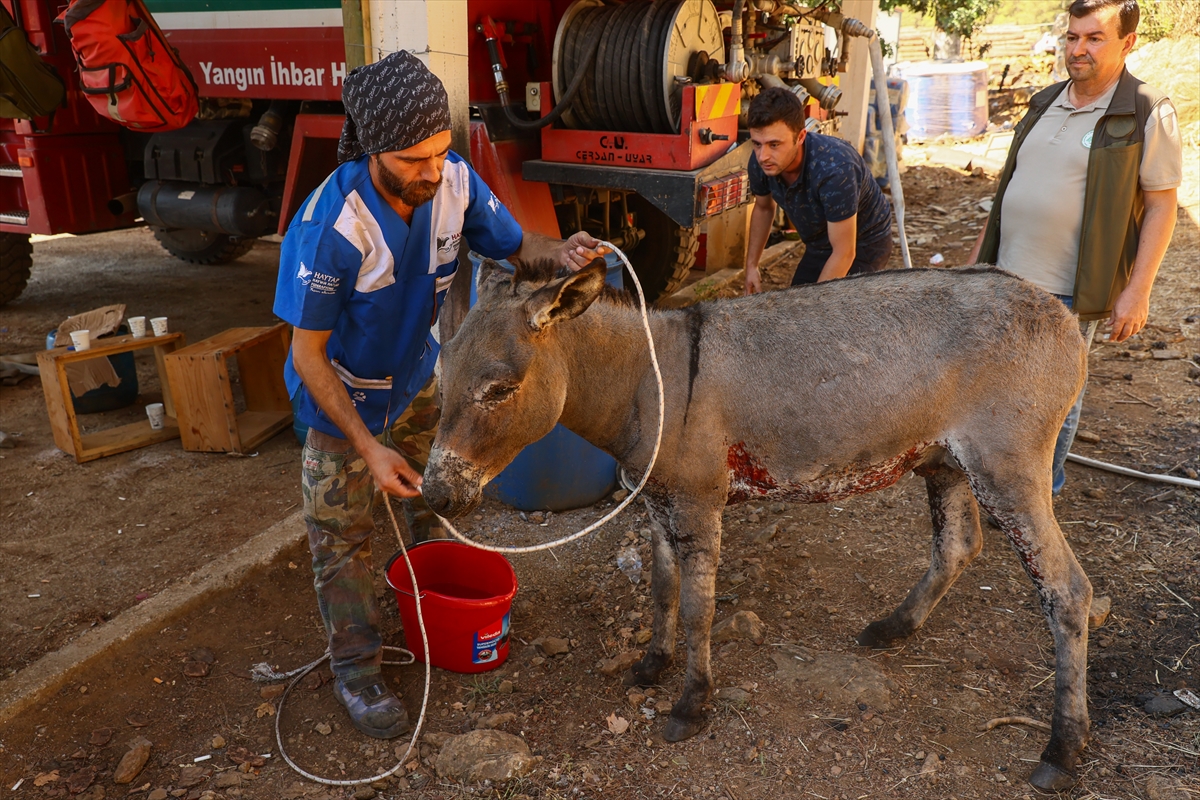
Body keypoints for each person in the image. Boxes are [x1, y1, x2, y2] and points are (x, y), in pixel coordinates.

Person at [273, 51, 600, 739]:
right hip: (340, 404)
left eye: (441, 152)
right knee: (343, 539)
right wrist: (365, 446)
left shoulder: (451, 180)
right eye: (415, 159)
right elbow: (306, 354)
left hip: (418, 382)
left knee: (427, 502)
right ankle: (357, 671)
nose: (434, 170)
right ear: (374, 148)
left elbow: (518, 249)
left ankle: (423, 615)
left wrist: (563, 254)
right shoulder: (332, 230)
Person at [967, 0, 1180, 495]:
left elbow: (1162, 206)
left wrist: (1138, 290)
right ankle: (1002, 480)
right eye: (1072, 37)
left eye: (1094, 38)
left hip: (1067, 285)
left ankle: (1040, 491)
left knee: (1054, 398)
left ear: (1127, 42)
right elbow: (1008, 193)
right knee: (997, 386)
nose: (1078, 49)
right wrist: (976, 264)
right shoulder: (1045, 101)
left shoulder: (1145, 109)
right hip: (1002, 278)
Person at [743, 87, 894, 294]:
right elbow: (763, 209)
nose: (763, 156)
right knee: (796, 308)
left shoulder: (835, 169)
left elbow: (844, 252)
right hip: (820, 242)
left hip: (863, 242)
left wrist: (815, 307)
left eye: (774, 144)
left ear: (801, 136)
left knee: (837, 315)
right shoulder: (762, 162)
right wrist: (751, 266)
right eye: (757, 144)